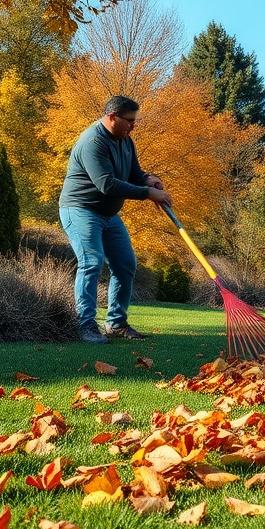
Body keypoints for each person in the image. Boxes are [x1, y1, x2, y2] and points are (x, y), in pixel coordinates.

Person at [59, 96, 172, 344]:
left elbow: (134, 173)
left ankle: (116, 323)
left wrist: (148, 179)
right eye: (129, 121)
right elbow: (106, 184)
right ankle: (85, 325)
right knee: (91, 261)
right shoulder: (92, 141)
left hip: (108, 215)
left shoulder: (125, 140)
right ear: (112, 117)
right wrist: (148, 194)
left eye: (135, 121)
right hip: (80, 209)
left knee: (125, 264)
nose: (134, 126)